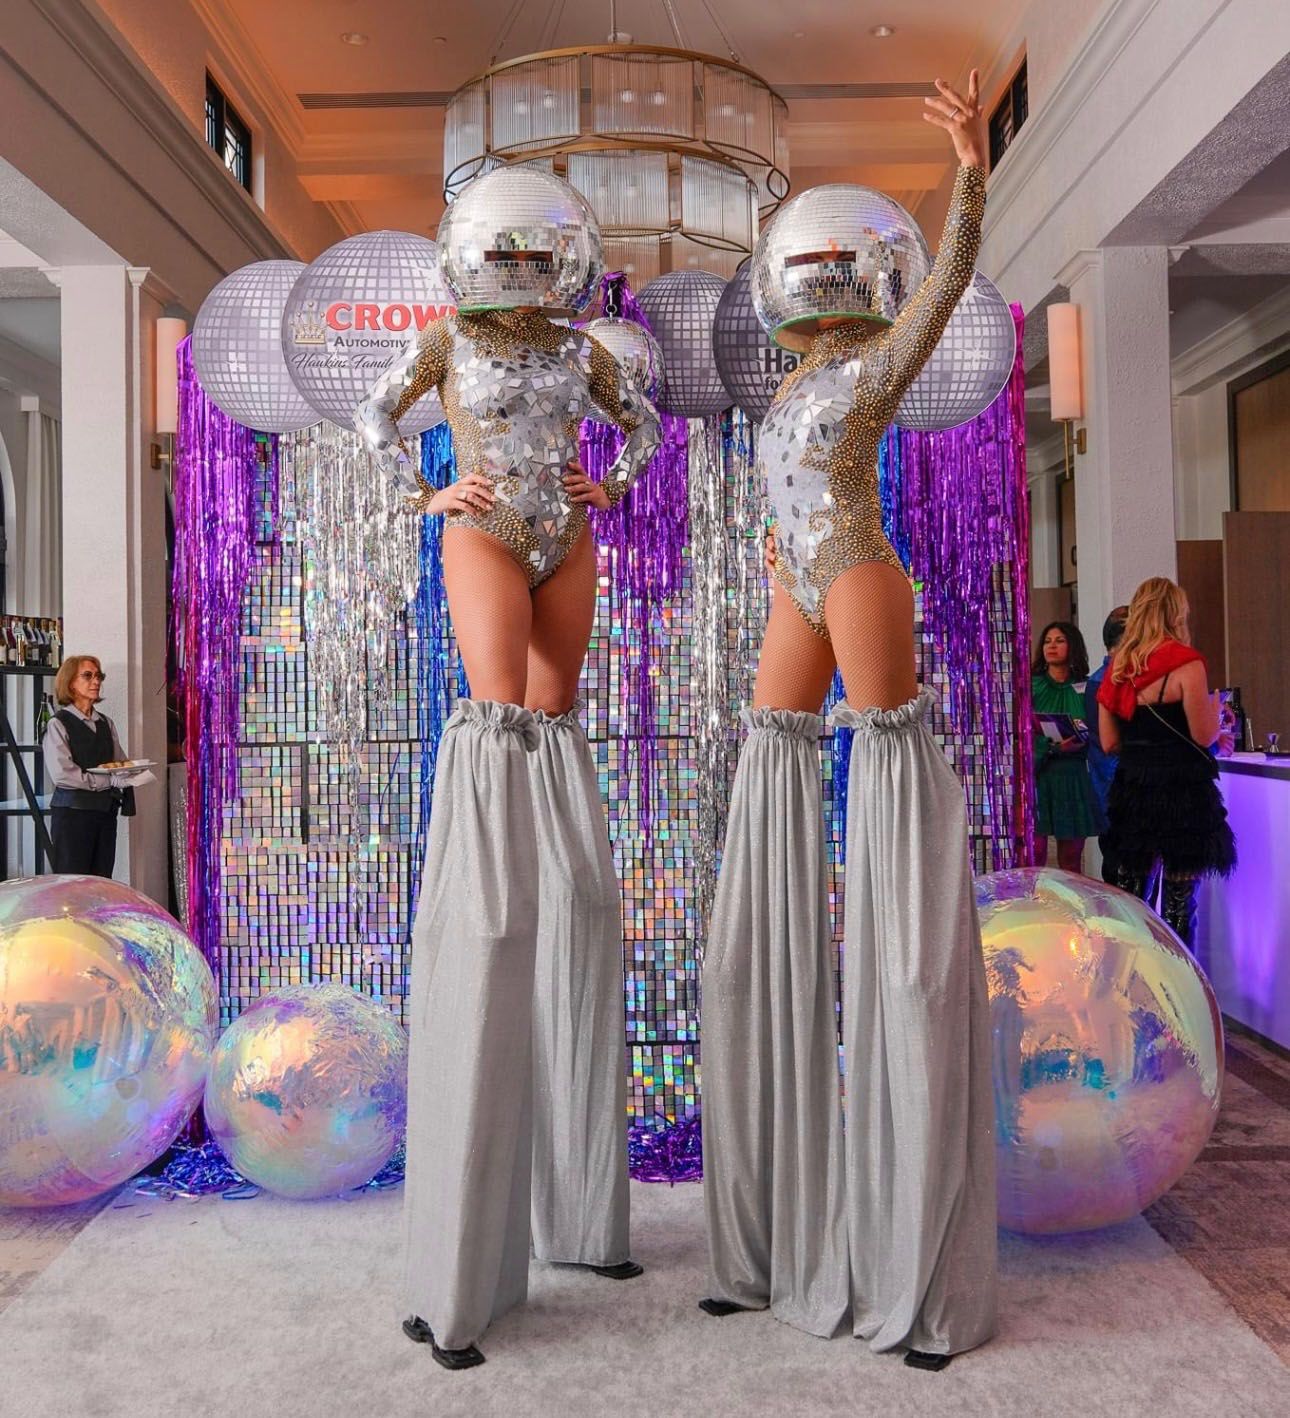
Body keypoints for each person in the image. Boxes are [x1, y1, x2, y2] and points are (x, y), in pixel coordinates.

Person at [700, 72, 996, 1369]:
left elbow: (941, 285)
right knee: (766, 801)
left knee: (888, 811)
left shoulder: (880, 359)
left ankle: (913, 1261)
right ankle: (776, 1227)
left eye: (833, 268)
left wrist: (968, 173)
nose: (816, 287)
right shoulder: (784, 376)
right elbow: (785, 480)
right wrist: (774, 555)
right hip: (799, 587)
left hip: (861, 576)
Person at [356, 166, 661, 1371]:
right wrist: (432, 489)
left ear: (563, 262)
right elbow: (377, 415)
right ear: (481, 255)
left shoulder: (586, 348)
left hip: (567, 537)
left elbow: (639, 425)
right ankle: (492, 896)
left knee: (554, 725)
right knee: (496, 727)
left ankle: (584, 1211)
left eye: (544, 257)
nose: (525, 273)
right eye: (511, 255)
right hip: (484, 528)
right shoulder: (444, 334)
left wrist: (616, 482)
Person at [1097, 576, 1236, 945]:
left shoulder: (1118, 670)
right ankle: (1178, 993)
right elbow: (1203, 736)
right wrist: (1216, 708)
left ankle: (1126, 989)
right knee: (1178, 904)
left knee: (1130, 901)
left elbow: (1109, 742)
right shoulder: (1187, 665)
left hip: (1134, 792)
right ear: (1175, 614)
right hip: (1181, 794)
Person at [42, 656, 136, 876]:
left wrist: (132, 772)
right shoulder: (58, 723)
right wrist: (107, 781)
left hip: (104, 814)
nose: (96, 681)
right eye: (88, 675)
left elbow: (118, 761)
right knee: (72, 883)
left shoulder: (106, 723)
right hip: (72, 816)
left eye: (98, 676)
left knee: (102, 881)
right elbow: (62, 775)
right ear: (70, 682)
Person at [1031, 621, 1103, 872]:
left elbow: (1099, 733)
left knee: (1071, 860)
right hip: (1039, 774)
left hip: (1073, 775)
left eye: (1059, 640)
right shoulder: (1030, 685)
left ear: (1072, 646)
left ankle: (1069, 910)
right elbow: (1019, 734)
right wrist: (1049, 746)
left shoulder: (1088, 689)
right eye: (1048, 641)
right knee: (1034, 854)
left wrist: (1080, 740)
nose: (1051, 646)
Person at [1085, 607, 1129, 884]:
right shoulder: (1109, 680)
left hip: (1109, 787)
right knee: (1121, 870)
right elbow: (1110, 742)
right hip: (1118, 787)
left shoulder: (1098, 678)